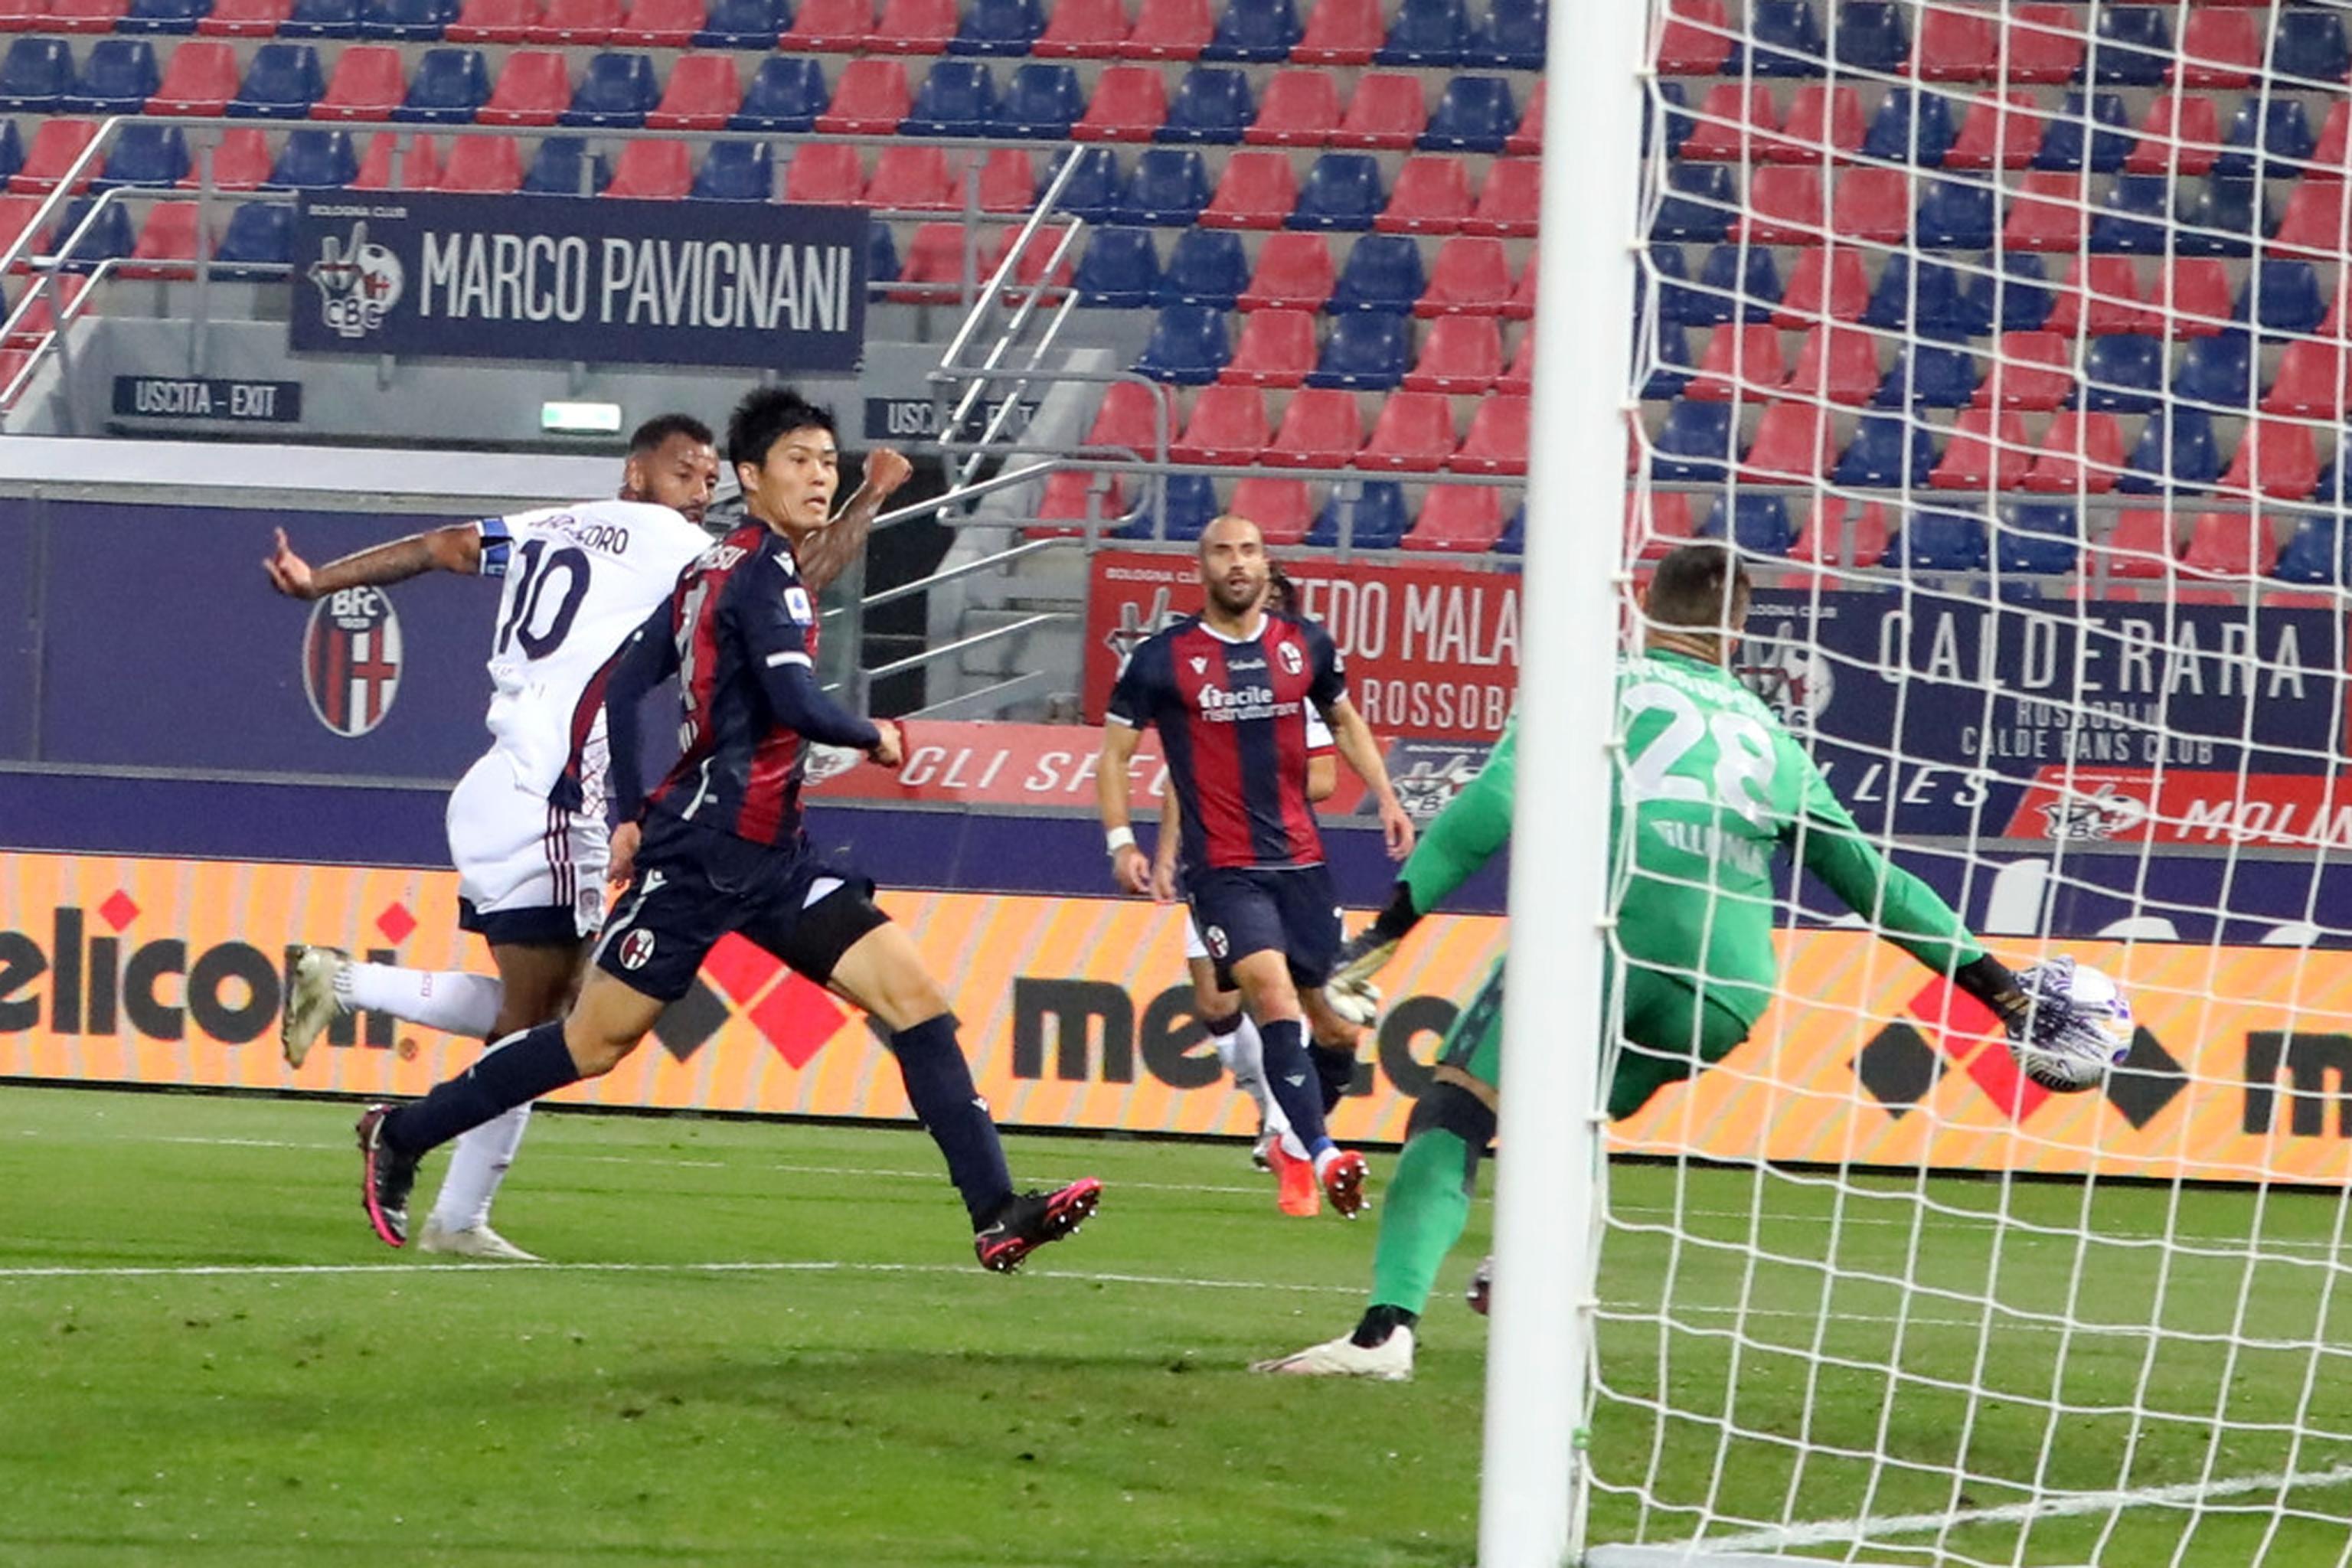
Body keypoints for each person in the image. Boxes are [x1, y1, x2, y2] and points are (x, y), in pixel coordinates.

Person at [1254, 541, 2098, 1380]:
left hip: (1604, 940)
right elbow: (1872, 882)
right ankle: (1532, 1274)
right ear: (1739, 631)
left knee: (1458, 1109)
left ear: (1644, 607)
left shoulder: (1590, 686)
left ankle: (1384, 1333)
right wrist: (2000, 989)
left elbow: (1492, 803)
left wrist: (1390, 927)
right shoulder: (1772, 737)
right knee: (1573, 1113)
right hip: (1726, 991)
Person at [352, 387, 1102, 1274]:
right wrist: (875, 733)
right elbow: (787, 699)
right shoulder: (759, 576)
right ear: (751, 477)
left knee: (917, 1003)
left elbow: (620, 690)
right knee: (589, 1044)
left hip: (775, 857)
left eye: (829, 460)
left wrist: (630, 805)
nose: (821, 476)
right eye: (799, 460)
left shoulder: (706, 571)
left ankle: (995, 1209)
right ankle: (402, 1131)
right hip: (704, 857)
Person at [263, 413, 748, 1260]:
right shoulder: (670, 540)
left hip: (502, 785)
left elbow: (443, 545)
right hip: (555, 796)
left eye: (710, 480)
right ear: (636, 475)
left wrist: (318, 582)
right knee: (567, 1023)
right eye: (684, 473)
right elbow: (759, 586)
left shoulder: (549, 526)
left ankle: (349, 988)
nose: (701, 493)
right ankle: (449, 1204)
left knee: (555, 1013)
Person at [1096, 514, 1415, 1220]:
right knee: (1268, 994)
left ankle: (1291, 1138)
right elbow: (1115, 756)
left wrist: (1388, 799)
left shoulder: (1305, 646)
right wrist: (1124, 841)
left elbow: (1345, 721)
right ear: (1201, 566)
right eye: (1221, 552)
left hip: (1303, 865)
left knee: (1335, 1029)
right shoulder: (1161, 658)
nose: (1236, 563)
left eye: (1248, 550)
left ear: (1267, 565)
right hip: (1224, 871)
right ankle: (1326, 1153)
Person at [1148, 560, 1338, 1217]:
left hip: (1277, 863)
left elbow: (1325, 782)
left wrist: (1253, 781)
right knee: (1213, 1001)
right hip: (1212, 864)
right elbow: (1181, 780)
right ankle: (1270, 1112)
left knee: (1288, 1002)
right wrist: (1166, 851)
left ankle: (1291, 1135)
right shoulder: (1205, 696)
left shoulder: (1298, 698)